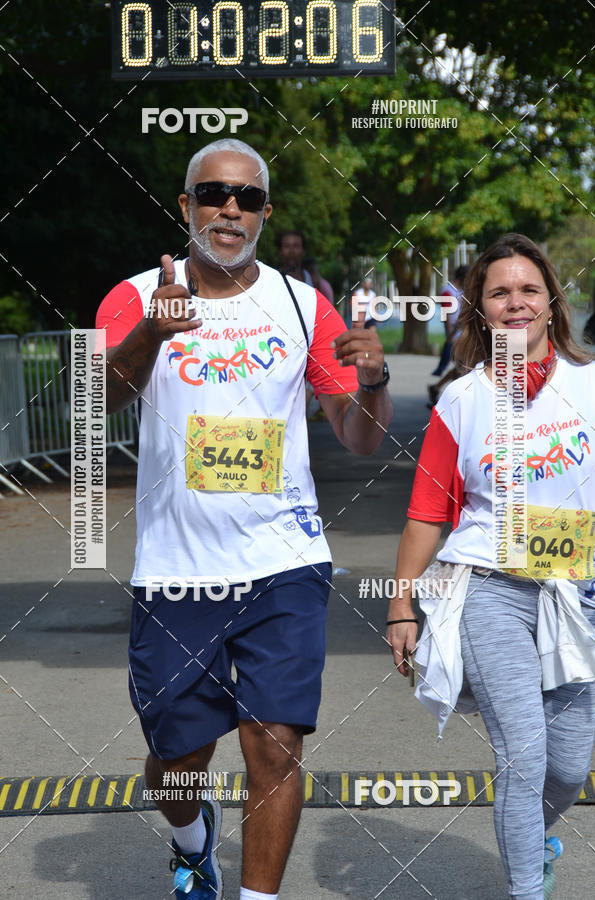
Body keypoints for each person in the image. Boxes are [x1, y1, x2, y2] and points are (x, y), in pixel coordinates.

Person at [96, 138, 392, 900]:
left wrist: (376, 379)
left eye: (247, 198)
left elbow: (358, 435)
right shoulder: (133, 298)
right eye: (213, 195)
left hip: (283, 560)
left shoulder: (302, 304)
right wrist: (153, 335)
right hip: (176, 569)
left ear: (266, 213)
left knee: (276, 744)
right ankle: (193, 843)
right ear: (185, 204)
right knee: (177, 760)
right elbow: (89, 408)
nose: (230, 209)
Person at [386, 233, 595, 900]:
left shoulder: (593, 386)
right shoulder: (462, 399)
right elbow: (428, 511)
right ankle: (525, 888)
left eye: (529, 290)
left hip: (580, 596)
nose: (516, 303)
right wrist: (400, 605)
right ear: (480, 309)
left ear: (551, 302)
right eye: (500, 292)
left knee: (567, 767)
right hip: (487, 589)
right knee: (524, 752)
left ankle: (527, 838)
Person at [431, 264, 469, 376]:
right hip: (453, 327)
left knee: (457, 354)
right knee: (453, 351)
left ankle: (442, 369)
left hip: (460, 326)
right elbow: (446, 313)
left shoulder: (460, 292)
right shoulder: (448, 291)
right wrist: (450, 332)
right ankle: (441, 369)